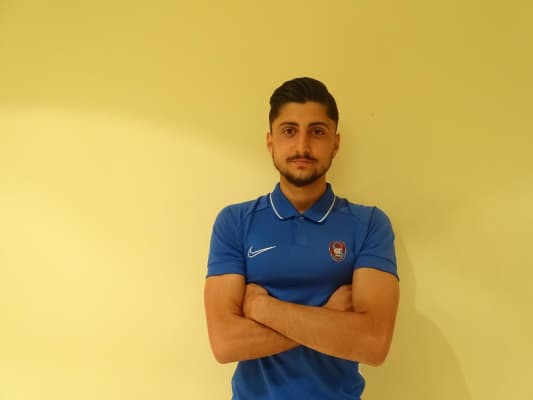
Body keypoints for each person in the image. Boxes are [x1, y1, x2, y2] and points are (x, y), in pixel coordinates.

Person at [204, 77, 399, 399]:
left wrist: (262, 307)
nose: (302, 147)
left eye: (317, 131)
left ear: (336, 143)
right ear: (270, 141)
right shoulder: (235, 222)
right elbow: (225, 344)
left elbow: (372, 344)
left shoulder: (369, 224)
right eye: (289, 131)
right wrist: (332, 318)